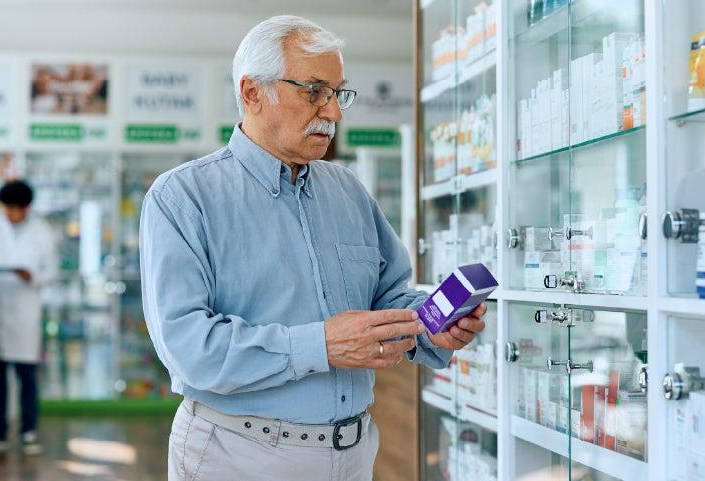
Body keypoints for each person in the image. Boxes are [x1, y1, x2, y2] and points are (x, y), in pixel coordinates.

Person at [140, 15, 487, 481]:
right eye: (314, 91)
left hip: (354, 452)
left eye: (338, 93)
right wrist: (321, 344)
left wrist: (431, 327)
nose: (334, 112)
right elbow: (188, 348)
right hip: (238, 455)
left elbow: (389, 296)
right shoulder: (182, 198)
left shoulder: (347, 190)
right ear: (251, 93)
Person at [0, 180, 58, 454]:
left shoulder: (42, 233)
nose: (9, 214)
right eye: (5, 209)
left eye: (14, 209)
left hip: (26, 312)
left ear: (26, 208)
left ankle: (29, 430)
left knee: (27, 377)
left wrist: (33, 276)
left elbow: (52, 272)